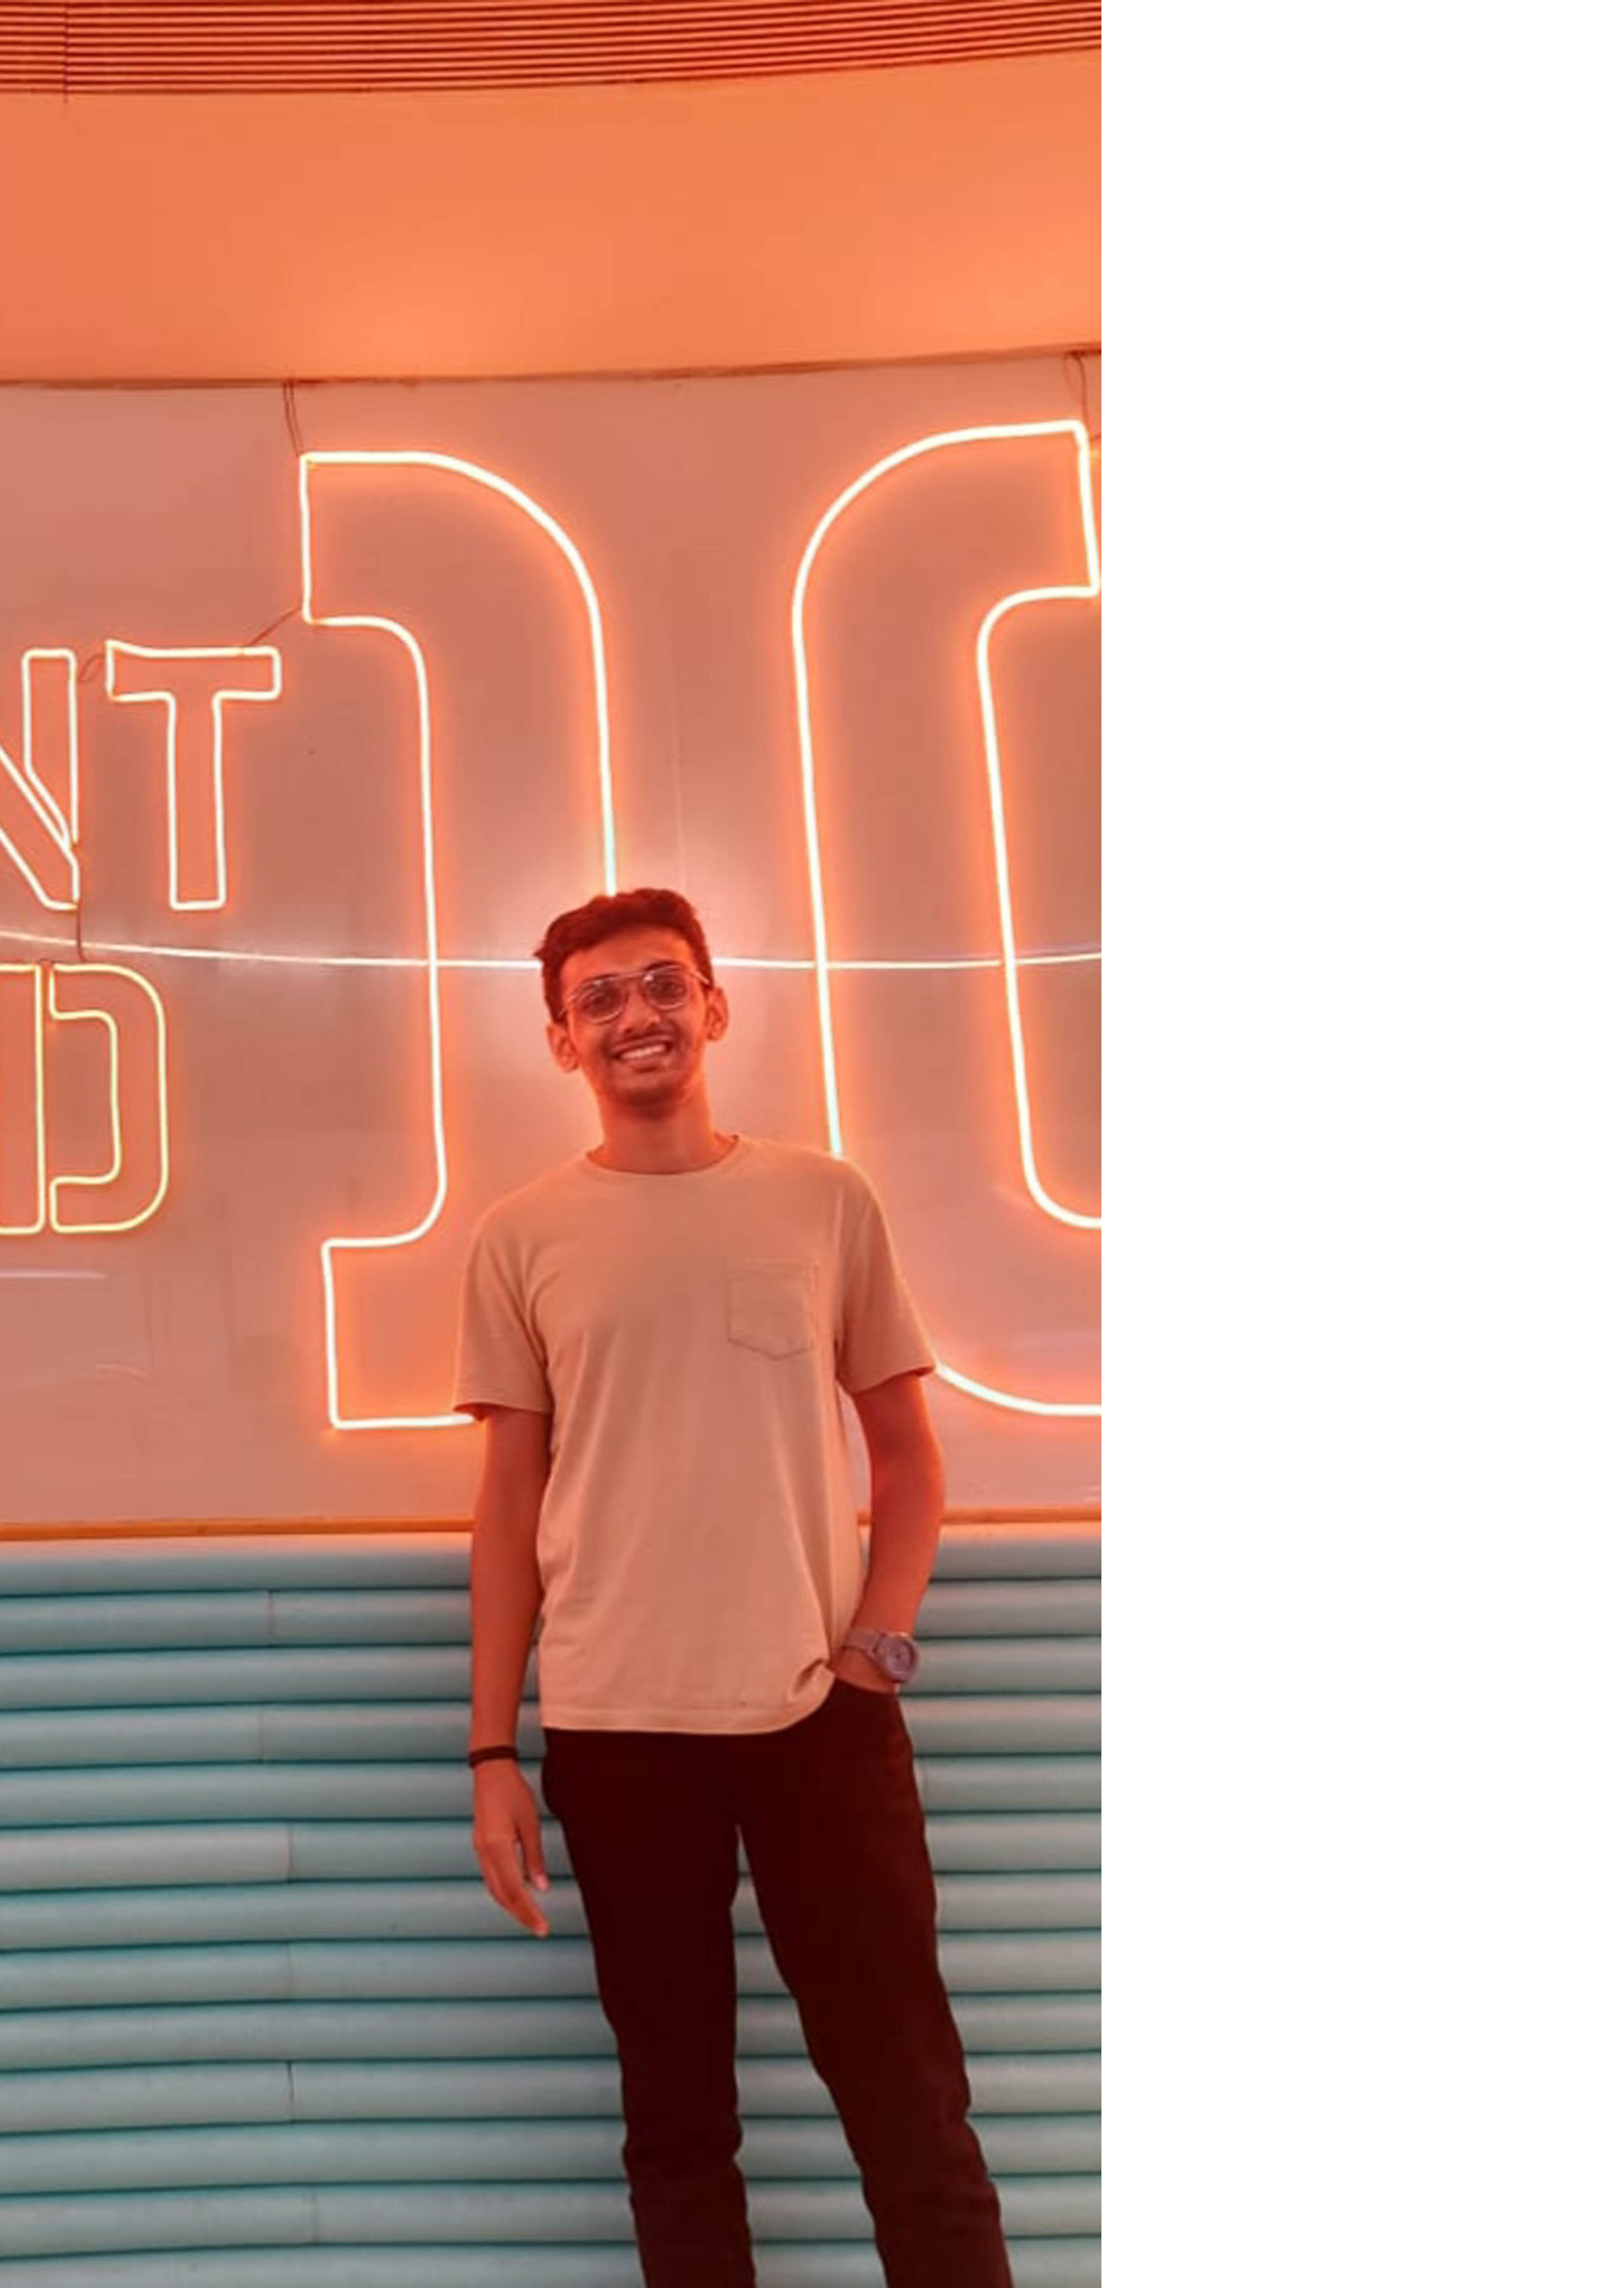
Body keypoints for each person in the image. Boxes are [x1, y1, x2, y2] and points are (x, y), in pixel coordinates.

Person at [453, 886, 1013, 2288]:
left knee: (911, 2105)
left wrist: (876, 1654)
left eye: (662, 983)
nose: (634, 1014)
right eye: (597, 998)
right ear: (561, 1040)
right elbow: (509, 1508)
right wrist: (490, 1752)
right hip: (616, 1728)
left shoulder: (825, 1201)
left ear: (714, 1005)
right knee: (677, 2124)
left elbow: (910, 1459)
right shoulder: (521, 1238)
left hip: (823, 1719)